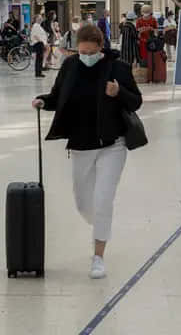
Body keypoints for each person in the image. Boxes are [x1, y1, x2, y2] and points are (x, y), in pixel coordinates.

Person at [31, 24, 142, 280]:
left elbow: (136, 101)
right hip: (81, 144)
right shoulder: (70, 66)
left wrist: (119, 92)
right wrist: (42, 101)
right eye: (81, 51)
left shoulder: (117, 67)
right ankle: (101, 225)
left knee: (103, 199)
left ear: (100, 48)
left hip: (113, 144)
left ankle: (98, 256)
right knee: (83, 203)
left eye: (90, 52)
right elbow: (58, 97)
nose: (86, 56)